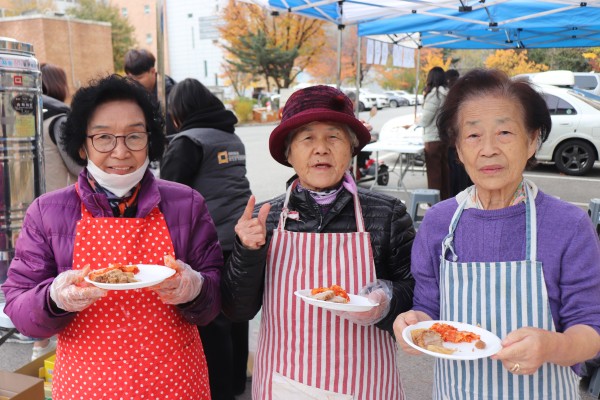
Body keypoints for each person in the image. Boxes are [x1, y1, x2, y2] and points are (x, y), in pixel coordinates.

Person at [1, 74, 223, 399]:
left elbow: (215, 302)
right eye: (104, 137)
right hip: (87, 384)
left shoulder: (186, 204)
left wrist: (196, 289)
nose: (120, 152)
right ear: (81, 143)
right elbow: (20, 308)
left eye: (134, 136)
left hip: (174, 381)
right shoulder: (47, 212)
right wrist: (53, 299)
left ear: (151, 141)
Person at [393, 69, 600, 399]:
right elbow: (428, 308)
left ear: (533, 140)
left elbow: (591, 330)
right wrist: (413, 323)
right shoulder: (438, 222)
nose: (488, 149)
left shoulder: (569, 225)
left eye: (504, 132)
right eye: (473, 136)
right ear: (458, 149)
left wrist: (553, 346)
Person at [222, 85, 416, 399]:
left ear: (351, 148)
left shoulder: (387, 215)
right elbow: (237, 309)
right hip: (285, 379)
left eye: (334, 137)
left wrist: (387, 302)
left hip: (364, 383)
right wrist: (248, 251)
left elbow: (414, 292)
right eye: (307, 138)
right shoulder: (265, 219)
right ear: (289, 151)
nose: (321, 148)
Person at [161, 78, 251, 399]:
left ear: (179, 112)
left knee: (212, 322)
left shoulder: (188, 142)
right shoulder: (231, 137)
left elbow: (166, 194)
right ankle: (238, 383)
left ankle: (219, 391)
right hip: (241, 240)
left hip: (210, 243)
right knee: (236, 313)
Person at [124, 48, 177, 135]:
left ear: (152, 71)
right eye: (130, 78)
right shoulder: (130, 96)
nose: (134, 82)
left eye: (139, 78)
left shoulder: (172, 95)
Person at [420, 66, 450, 200]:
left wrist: (418, 121)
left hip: (432, 138)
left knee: (434, 174)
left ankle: (434, 204)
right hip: (443, 137)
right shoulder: (447, 94)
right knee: (444, 173)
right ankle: (444, 201)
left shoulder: (434, 95)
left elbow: (425, 120)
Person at [444, 68, 472, 197]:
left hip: (454, 144)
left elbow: (447, 122)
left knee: (456, 177)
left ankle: (458, 201)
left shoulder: (452, 96)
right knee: (465, 176)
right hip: (465, 142)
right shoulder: (468, 96)